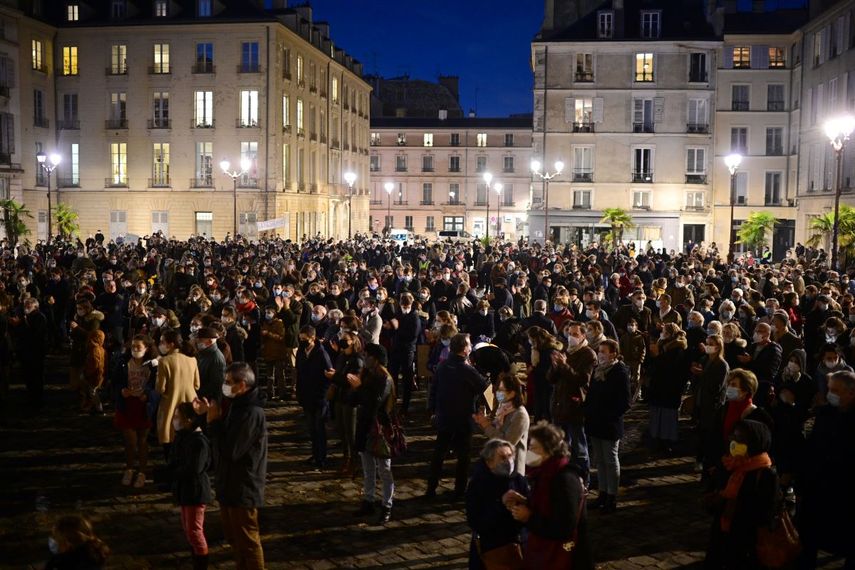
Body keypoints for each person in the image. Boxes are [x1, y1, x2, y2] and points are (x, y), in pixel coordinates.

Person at [194, 362, 268, 570]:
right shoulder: (236, 405)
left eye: (228, 382)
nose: (224, 386)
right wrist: (206, 414)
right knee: (234, 539)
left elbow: (231, 450)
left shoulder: (251, 412)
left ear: (242, 384)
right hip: (229, 482)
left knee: (248, 541)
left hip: (243, 485)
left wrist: (214, 422)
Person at [503, 421, 593, 570]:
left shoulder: (564, 479)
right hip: (545, 552)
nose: (529, 453)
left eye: (533, 449)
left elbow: (564, 527)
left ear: (549, 451)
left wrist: (529, 517)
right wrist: (524, 501)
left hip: (567, 559)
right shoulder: (544, 473)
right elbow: (549, 506)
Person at [798, 370, 855, 568]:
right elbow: (812, 446)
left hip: (845, 488)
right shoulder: (825, 413)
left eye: (835, 391)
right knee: (809, 533)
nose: (830, 394)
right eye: (830, 389)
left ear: (851, 393)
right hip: (818, 483)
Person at [704, 420, 778, 568]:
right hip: (723, 532)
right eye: (733, 437)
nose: (734, 442)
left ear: (755, 442)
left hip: (746, 540)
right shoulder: (728, 464)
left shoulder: (765, 474)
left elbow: (766, 513)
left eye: (740, 439)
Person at [426, 333, 489, 499]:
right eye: (469, 345)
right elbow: (483, 386)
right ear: (464, 349)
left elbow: (433, 389)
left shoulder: (442, 366)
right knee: (463, 457)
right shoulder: (467, 369)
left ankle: (431, 488)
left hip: (444, 415)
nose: (470, 347)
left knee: (439, 453)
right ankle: (459, 490)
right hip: (463, 417)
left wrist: (432, 410)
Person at [348, 343, 396, 524]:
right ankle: (368, 500)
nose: (364, 358)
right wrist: (356, 388)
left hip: (380, 428)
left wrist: (359, 388)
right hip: (365, 425)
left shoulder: (384, 378)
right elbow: (353, 400)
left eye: (366, 355)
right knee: (367, 467)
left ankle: (387, 504)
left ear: (375, 358)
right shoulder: (367, 374)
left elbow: (375, 402)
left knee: (384, 469)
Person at [466, 439, 530, 570]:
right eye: (502, 457)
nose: (508, 461)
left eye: (510, 456)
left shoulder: (519, 480)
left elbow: (531, 509)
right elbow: (476, 521)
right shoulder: (478, 484)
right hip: (492, 548)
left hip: (518, 546)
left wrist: (523, 502)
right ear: (489, 463)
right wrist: (501, 503)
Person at [585, 339, 631, 513]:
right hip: (595, 422)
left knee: (610, 460)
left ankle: (612, 496)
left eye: (604, 351)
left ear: (613, 353)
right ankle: (602, 494)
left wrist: (608, 414)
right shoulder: (598, 370)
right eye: (599, 351)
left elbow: (625, 402)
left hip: (609, 424)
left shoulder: (619, 372)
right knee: (600, 461)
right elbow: (591, 394)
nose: (600, 354)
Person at [169, 402, 211, 570]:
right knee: (189, 530)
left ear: (188, 420)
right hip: (186, 490)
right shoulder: (184, 436)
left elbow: (194, 468)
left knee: (195, 532)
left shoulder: (199, 442)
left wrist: (174, 472)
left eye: (177, 417)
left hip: (195, 491)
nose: (174, 420)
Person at [114, 335, 159, 488]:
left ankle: (142, 471)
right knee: (130, 441)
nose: (134, 350)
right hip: (127, 404)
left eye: (138, 347)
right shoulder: (123, 362)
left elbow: (156, 385)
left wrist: (148, 395)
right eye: (132, 346)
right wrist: (121, 390)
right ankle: (129, 468)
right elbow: (115, 380)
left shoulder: (153, 365)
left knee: (143, 440)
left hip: (143, 406)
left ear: (146, 348)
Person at [473, 373, 530, 475]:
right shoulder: (503, 409)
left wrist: (486, 425)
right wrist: (482, 422)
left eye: (501, 390)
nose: (498, 393)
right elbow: (495, 429)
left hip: (512, 468)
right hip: (498, 463)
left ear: (512, 393)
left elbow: (507, 442)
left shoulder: (520, 415)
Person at [156, 330, 200, 460]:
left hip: (171, 405)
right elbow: (197, 385)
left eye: (162, 342)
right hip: (190, 404)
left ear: (171, 344)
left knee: (170, 441)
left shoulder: (164, 362)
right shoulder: (192, 360)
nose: (160, 345)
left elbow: (160, 388)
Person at [646, 323, 689, 452]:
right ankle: (657, 438)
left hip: (669, 390)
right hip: (659, 389)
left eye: (664, 332)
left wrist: (657, 356)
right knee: (658, 415)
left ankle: (667, 441)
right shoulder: (664, 346)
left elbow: (667, 369)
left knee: (667, 417)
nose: (662, 334)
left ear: (670, 334)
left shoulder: (677, 350)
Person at [295, 325, 333, 469]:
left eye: (304, 339)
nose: (302, 341)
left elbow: (328, 376)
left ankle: (321, 457)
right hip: (306, 396)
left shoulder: (321, 354)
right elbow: (299, 371)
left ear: (312, 338)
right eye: (300, 339)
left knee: (319, 429)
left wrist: (321, 395)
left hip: (319, 398)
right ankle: (315, 453)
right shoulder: (301, 351)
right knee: (311, 429)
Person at [692, 334, 729, 473]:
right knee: (701, 433)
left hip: (713, 406)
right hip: (702, 401)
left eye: (711, 343)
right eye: (707, 343)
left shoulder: (722, 365)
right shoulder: (706, 360)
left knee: (709, 435)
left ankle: (708, 462)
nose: (708, 346)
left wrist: (702, 374)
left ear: (718, 346)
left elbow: (717, 387)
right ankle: (700, 459)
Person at [45, 515, 110, 570]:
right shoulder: (93, 559)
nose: (52, 540)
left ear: (67, 541)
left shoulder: (60, 564)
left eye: (54, 536)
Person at [194, 327, 226, 404]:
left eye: (200, 340)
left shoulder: (216, 358)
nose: (197, 342)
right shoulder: (203, 353)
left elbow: (216, 385)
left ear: (210, 341)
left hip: (206, 400)